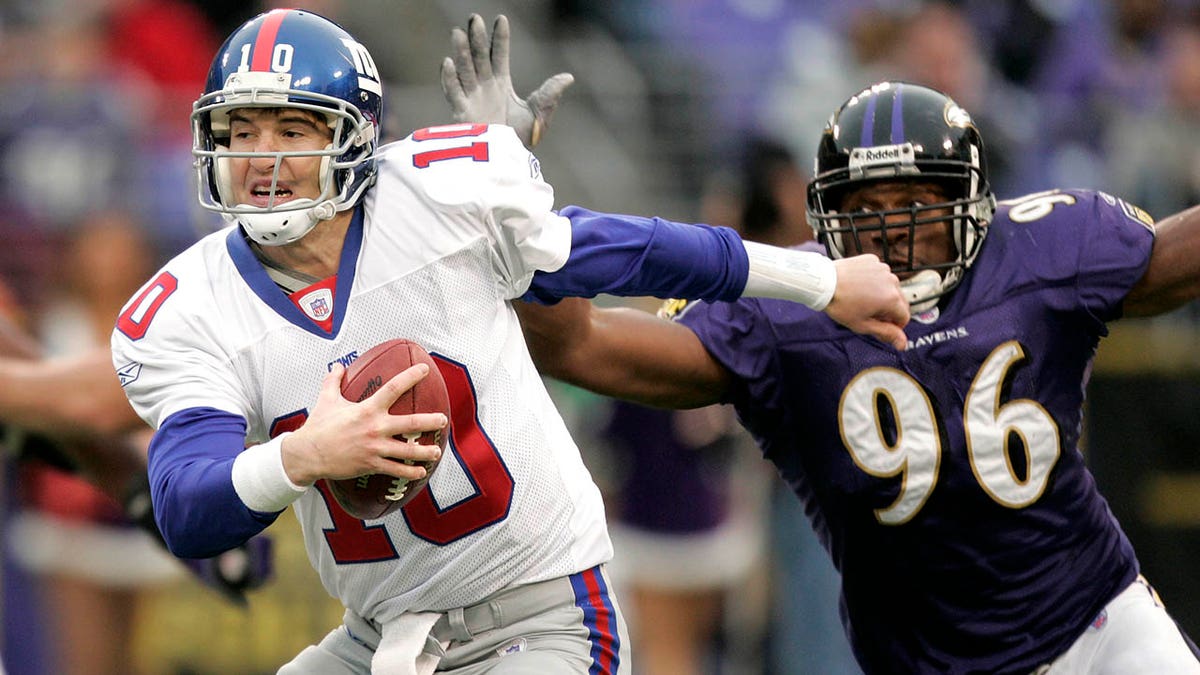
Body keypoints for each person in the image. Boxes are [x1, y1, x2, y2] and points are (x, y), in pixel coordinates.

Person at [109, 10, 907, 675]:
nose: (265, 158)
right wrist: (301, 456)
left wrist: (822, 283)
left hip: (540, 614)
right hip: (381, 637)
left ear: (353, 140)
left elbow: (636, 249)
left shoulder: (435, 198)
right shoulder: (195, 305)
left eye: (294, 127)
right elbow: (185, 504)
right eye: (240, 130)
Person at [503, 80, 1200, 674]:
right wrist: (513, 198)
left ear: (974, 201)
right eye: (862, 210)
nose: (891, 231)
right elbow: (581, 346)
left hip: (1097, 621)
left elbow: (1171, 262)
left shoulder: (1045, 244)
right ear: (824, 217)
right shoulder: (782, 309)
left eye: (916, 201)